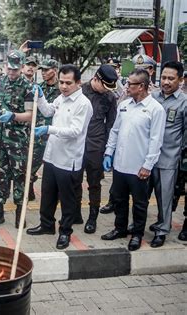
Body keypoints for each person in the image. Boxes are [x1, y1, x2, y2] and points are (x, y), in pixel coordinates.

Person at [26, 64, 93, 250]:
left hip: (68, 159)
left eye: (68, 83)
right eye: (61, 82)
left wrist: (49, 129)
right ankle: (46, 225)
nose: (63, 86)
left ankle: (65, 231)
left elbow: (75, 131)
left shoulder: (83, 104)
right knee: (47, 194)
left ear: (78, 83)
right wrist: (40, 97)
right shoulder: (61, 98)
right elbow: (48, 111)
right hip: (52, 156)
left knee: (67, 198)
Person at [101, 68, 166, 251]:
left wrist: (147, 165)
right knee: (119, 200)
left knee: (139, 203)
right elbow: (115, 131)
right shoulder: (125, 105)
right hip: (120, 164)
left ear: (142, 86)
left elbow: (156, 140)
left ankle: (137, 234)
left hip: (139, 167)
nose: (127, 86)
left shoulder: (155, 109)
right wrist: (108, 152)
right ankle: (120, 229)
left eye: (131, 84)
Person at [0, 50, 34, 229]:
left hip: (18, 142)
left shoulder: (28, 87)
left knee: (20, 177)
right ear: (6, 66)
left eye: (15, 69)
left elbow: (29, 115)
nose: (11, 73)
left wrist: (12, 116)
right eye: (9, 69)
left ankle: (20, 215)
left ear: (21, 67)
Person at [148, 61, 187, 247]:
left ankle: (162, 230)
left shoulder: (184, 102)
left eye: (171, 78)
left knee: (165, 197)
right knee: (141, 195)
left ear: (180, 80)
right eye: (163, 77)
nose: (166, 82)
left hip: (168, 158)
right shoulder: (152, 98)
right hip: (147, 157)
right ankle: (137, 224)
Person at [75, 65, 117, 234]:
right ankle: (75, 213)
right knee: (74, 180)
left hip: (96, 146)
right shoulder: (79, 91)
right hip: (76, 144)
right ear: (96, 79)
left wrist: (108, 150)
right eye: (105, 85)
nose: (107, 90)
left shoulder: (109, 97)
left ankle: (93, 218)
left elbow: (111, 124)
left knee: (94, 183)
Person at [29, 59, 61, 201]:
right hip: (38, 134)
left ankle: (58, 194)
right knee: (29, 166)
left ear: (54, 70)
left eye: (46, 70)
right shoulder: (39, 87)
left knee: (56, 168)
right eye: (42, 70)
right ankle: (28, 191)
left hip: (55, 134)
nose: (43, 73)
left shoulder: (62, 89)